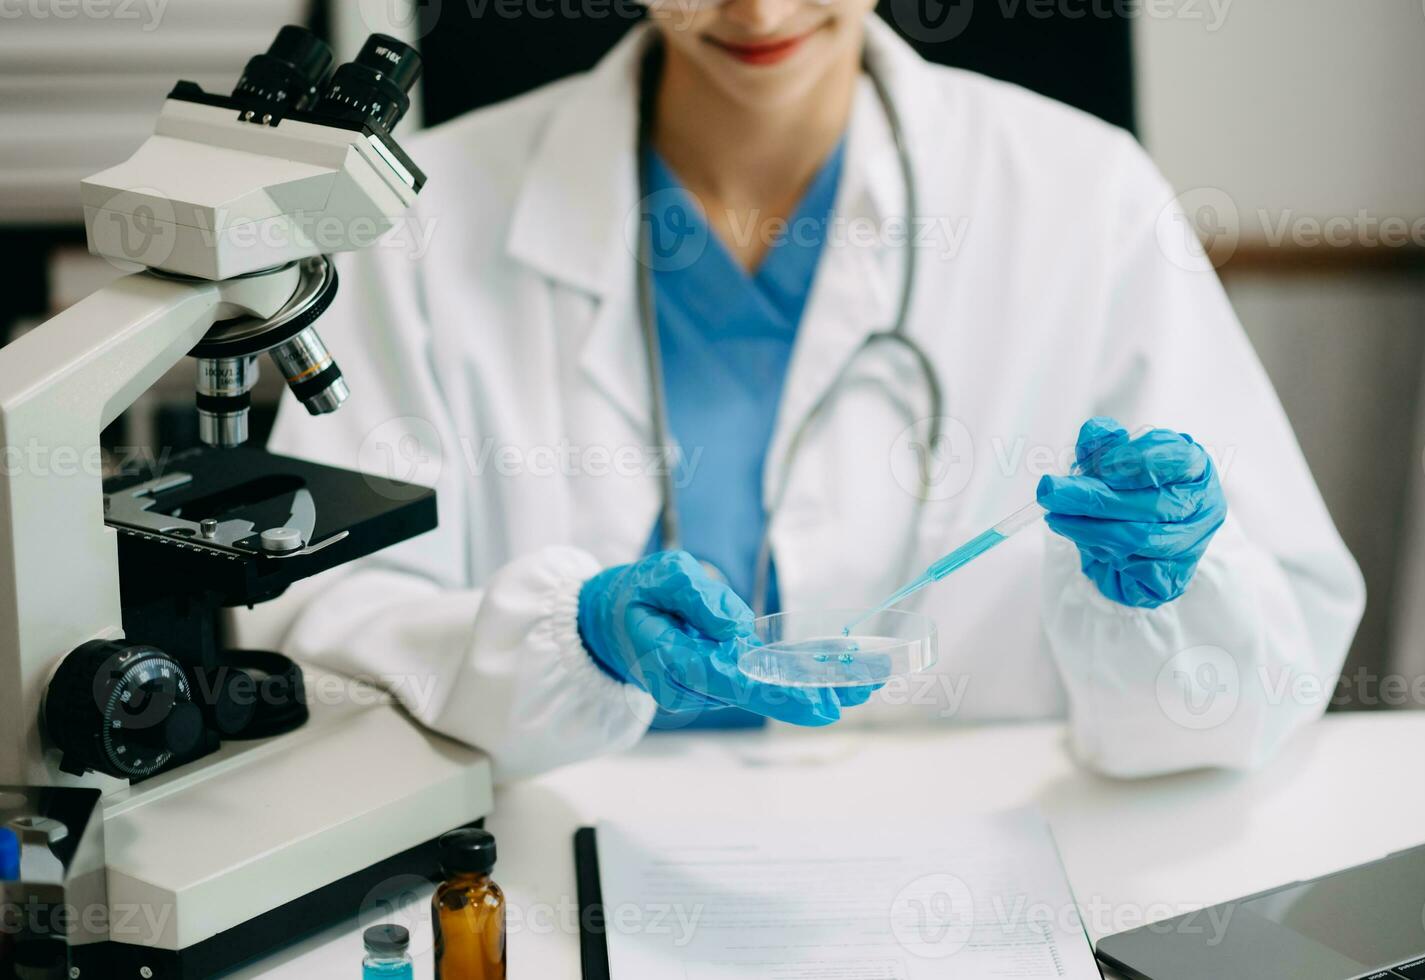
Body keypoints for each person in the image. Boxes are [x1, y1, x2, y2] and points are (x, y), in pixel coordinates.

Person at [237, 0, 1365, 780]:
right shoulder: (427, 226)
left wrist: (1167, 591)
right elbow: (315, 638)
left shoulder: (1085, 197)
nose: (760, 12)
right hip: (556, 859)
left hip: (988, 868)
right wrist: (559, 641)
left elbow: (1263, 675)